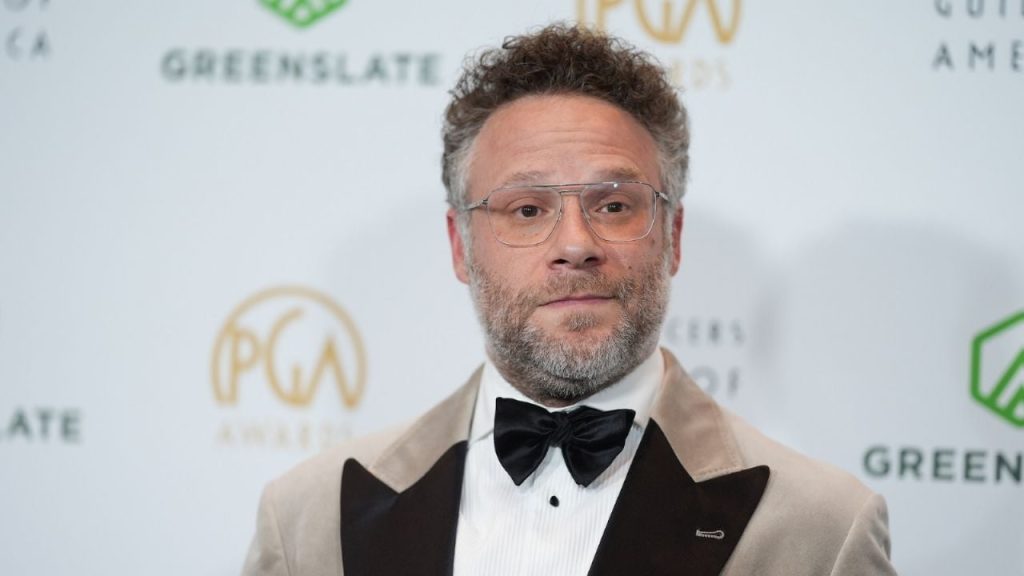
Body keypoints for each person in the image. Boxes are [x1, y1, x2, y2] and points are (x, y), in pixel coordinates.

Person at [242, 24, 897, 576]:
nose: (576, 244)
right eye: (527, 209)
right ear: (460, 246)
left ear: (672, 236)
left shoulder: (822, 530)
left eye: (613, 205)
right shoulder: (307, 519)